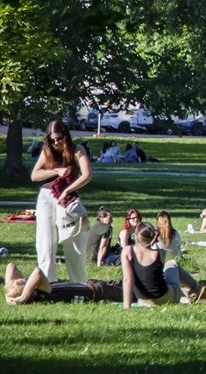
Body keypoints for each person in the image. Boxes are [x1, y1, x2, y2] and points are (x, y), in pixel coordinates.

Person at [31, 119, 94, 283]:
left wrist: (67, 190)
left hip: (67, 201)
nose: (56, 142)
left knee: (73, 244)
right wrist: (56, 170)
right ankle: (48, 286)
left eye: (59, 138)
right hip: (46, 197)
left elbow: (87, 175)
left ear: (66, 135)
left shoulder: (77, 150)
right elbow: (34, 175)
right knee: (46, 244)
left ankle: (79, 285)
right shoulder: (47, 151)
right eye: (52, 140)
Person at [123, 222, 191, 307]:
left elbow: (128, 280)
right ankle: (195, 289)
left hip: (143, 300)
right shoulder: (160, 253)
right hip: (164, 297)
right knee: (172, 264)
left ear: (136, 236)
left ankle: (186, 293)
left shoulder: (127, 251)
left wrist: (127, 307)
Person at [5, 262, 122, 305]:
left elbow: (11, 266)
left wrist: (8, 296)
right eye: (23, 281)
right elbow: (37, 272)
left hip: (91, 284)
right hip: (98, 292)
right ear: (27, 291)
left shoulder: (38, 289)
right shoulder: (43, 294)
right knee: (135, 292)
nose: (25, 278)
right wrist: (23, 298)